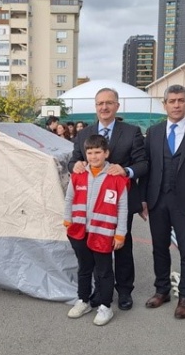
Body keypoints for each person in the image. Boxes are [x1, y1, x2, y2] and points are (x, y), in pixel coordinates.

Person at [68, 87, 147, 311]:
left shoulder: (132, 132)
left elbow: (143, 164)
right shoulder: (84, 134)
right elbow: (72, 161)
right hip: (92, 206)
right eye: (100, 103)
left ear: (117, 106)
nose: (104, 107)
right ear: (95, 107)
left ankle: (124, 291)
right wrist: (76, 165)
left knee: (121, 246)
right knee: (94, 249)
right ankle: (100, 291)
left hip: (119, 202)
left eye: (109, 103)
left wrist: (126, 171)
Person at [140, 85, 185, 319]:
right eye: (172, 101)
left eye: (181, 100)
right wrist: (143, 199)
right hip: (158, 199)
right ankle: (162, 290)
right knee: (159, 248)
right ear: (165, 104)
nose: (177, 105)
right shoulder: (154, 132)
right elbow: (147, 168)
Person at [64, 135, 128, 326]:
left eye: (97, 152)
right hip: (79, 232)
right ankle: (84, 300)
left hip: (104, 234)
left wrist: (120, 234)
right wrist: (68, 221)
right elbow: (69, 199)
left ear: (106, 153)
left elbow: (122, 208)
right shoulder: (78, 174)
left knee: (104, 271)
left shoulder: (116, 178)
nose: (93, 156)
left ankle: (105, 306)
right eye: (90, 153)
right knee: (84, 268)